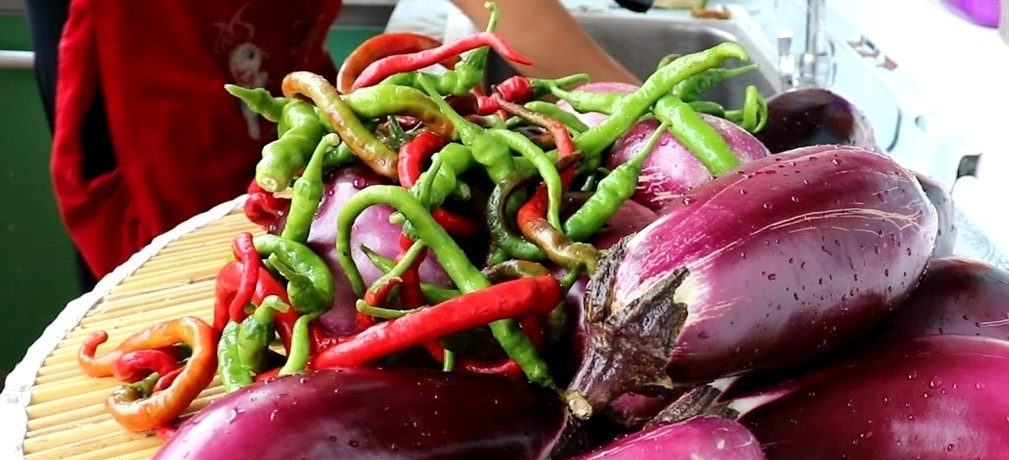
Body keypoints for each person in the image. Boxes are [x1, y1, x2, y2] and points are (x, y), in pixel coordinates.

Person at [24, 0, 638, 291]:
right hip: (146, 62)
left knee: (314, 233)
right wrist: (644, 107)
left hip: (275, 67)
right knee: (175, 293)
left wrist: (642, 111)